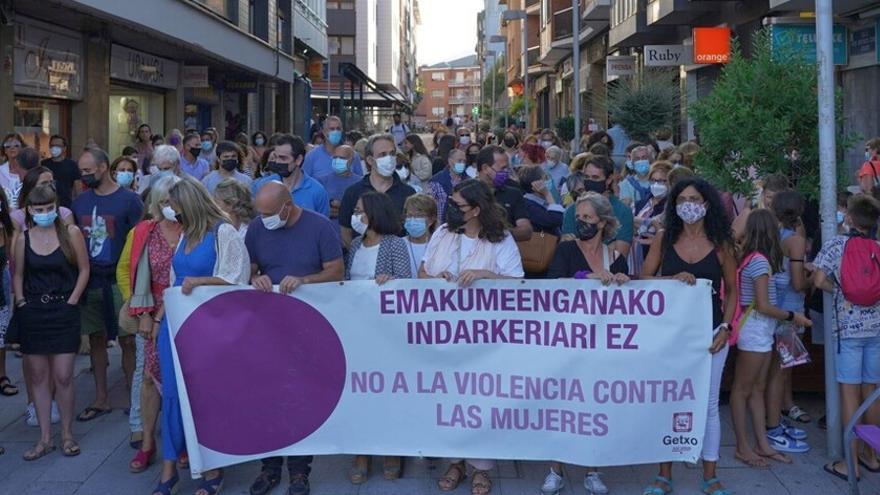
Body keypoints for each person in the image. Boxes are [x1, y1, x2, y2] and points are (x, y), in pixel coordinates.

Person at [421, 179, 523, 495]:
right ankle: (455, 462)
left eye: (458, 205)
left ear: (477, 210)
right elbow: (422, 273)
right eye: (451, 202)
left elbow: (517, 284)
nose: (451, 209)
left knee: (479, 400)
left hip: (484, 339)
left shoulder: (501, 241)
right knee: (450, 400)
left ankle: (481, 468)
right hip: (442, 334)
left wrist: (484, 276)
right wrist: (437, 279)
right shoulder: (442, 233)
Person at [637, 178, 738, 495]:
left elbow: (733, 291)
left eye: (694, 199)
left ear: (706, 204)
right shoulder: (664, 239)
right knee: (669, 401)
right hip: (670, 335)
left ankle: (710, 475)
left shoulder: (721, 243)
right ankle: (663, 474)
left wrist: (726, 328)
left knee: (708, 406)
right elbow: (645, 278)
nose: (688, 205)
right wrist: (671, 278)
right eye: (681, 199)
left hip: (711, 335)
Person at [152, 177, 250, 495]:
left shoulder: (223, 232)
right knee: (172, 394)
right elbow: (173, 279)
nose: (172, 213)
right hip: (175, 324)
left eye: (176, 208)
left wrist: (201, 280)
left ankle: (211, 463)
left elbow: (237, 278)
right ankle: (168, 470)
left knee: (204, 394)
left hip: (208, 327)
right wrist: (159, 318)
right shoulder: (184, 235)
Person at [246, 180, 343, 495]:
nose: (265, 219)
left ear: (287, 206)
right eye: (260, 213)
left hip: (307, 327)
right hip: (267, 326)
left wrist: (304, 280)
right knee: (265, 399)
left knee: (301, 399)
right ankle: (269, 468)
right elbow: (248, 268)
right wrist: (254, 277)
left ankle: (300, 473)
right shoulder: (257, 228)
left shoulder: (320, 227)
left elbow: (336, 271)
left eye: (270, 213)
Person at [542, 191, 628, 495]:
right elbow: (553, 285)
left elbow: (629, 305)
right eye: (578, 218)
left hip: (601, 343)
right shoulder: (566, 250)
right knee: (562, 407)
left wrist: (622, 282)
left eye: (588, 218)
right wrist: (586, 277)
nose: (582, 223)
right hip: (567, 341)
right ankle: (556, 469)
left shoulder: (615, 256)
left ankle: (593, 468)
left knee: (595, 407)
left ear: (603, 222)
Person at [730, 209, 811, 470]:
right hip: (756, 328)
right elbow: (764, 305)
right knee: (744, 389)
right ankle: (744, 446)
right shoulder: (760, 262)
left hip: (759, 328)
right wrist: (792, 316)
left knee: (756, 388)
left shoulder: (751, 257)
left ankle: (762, 444)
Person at [13, 184, 90, 460]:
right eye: (39, 209)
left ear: (56, 207)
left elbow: (84, 269)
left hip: (63, 309)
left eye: (49, 208)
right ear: (30, 211)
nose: (44, 213)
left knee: (63, 375)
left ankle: (67, 434)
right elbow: (18, 274)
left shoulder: (70, 233)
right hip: (34, 310)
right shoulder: (24, 238)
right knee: (38, 376)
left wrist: (73, 300)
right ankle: (44, 438)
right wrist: (21, 301)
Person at [116, 175, 182, 475]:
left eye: (176, 200)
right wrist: (140, 310)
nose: (172, 207)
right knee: (149, 378)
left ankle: (181, 440)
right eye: (166, 202)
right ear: (156, 204)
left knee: (184, 378)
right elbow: (130, 271)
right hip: (151, 310)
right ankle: (147, 443)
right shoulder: (143, 231)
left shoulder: (195, 230)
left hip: (185, 309)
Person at [71, 148, 144, 423]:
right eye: (82, 171)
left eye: (88, 170)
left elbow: (140, 240)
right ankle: (101, 397)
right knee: (96, 339)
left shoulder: (130, 201)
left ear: (103, 168)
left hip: (119, 280)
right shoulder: (79, 203)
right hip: (91, 281)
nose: (84, 175)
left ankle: (133, 396)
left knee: (128, 340)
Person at [345, 190, 411, 483]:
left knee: (388, 392)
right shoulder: (356, 244)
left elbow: (408, 285)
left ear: (373, 214)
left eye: (360, 210)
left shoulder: (395, 244)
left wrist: (391, 282)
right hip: (358, 330)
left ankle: (391, 449)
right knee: (360, 392)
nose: (355, 215)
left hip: (387, 333)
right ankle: (362, 450)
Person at [814, 194, 880, 480]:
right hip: (877, 330)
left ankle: (849, 464)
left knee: (849, 394)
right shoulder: (878, 247)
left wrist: (839, 289)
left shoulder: (836, 245)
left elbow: (817, 280)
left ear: (849, 218)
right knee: (872, 393)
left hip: (848, 333)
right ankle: (872, 455)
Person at [765, 191, 813, 452]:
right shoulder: (795, 241)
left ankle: (774, 421)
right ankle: (773, 426)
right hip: (790, 314)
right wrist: (813, 278)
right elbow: (797, 283)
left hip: (773, 311)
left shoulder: (771, 234)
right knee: (780, 374)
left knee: (776, 371)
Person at [338, 134, 417, 249]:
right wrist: (358, 254)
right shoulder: (353, 192)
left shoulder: (408, 193)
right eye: (383, 155)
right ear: (370, 160)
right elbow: (345, 230)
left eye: (392, 153)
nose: (389, 158)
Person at [561, 154, 633, 257]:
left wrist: (579, 245)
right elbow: (566, 251)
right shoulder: (572, 210)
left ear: (609, 179)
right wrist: (609, 247)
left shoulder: (623, 211)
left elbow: (619, 255)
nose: (590, 181)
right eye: (586, 177)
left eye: (595, 177)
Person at [251, 134, 329, 217]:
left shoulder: (317, 192)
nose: (277, 162)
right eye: (276, 157)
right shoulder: (263, 186)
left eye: (283, 158)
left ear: (298, 160)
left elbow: (322, 227)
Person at [473, 146, 533, 242]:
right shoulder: (465, 192)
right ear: (485, 168)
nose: (506, 172)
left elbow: (526, 230)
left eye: (507, 168)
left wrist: (499, 234)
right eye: (502, 168)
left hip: (502, 252)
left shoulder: (514, 193)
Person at [630, 161, 672, 276]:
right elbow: (629, 223)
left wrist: (638, 222)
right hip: (635, 258)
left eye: (663, 181)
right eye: (654, 180)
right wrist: (649, 223)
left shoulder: (671, 206)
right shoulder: (639, 204)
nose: (657, 184)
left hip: (658, 260)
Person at [317, 144, 362, 227]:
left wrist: (342, 207)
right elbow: (319, 210)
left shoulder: (360, 183)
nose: (337, 160)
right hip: (328, 230)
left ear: (351, 160)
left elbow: (362, 212)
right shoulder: (321, 181)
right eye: (335, 157)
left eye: (342, 158)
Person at [518, 165, 563, 236]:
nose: (548, 180)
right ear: (536, 184)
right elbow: (556, 219)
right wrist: (547, 194)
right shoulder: (528, 205)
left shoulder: (542, 201)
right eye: (546, 178)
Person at [0, 187, 15, 399]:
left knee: (0, 335)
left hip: (1, 283)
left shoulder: (5, 228)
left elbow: (10, 259)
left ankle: (2, 376)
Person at [41, 135, 82, 208]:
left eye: (58, 146)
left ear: (64, 148)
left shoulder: (72, 165)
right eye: (52, 145)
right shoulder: (43, 164)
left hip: (66, 204)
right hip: (46, 204)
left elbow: (78, 187)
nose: (54, 148)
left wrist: (78, 204)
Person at [403, 194, 438, 277]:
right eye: (409, 215)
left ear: (431, 219)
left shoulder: (439, 245)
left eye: (419, 216)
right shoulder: (398, 244)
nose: (413, 220)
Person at [619, 145, 654, 212]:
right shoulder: (626, 184)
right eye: (637, 159)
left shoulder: (658, 180)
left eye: (644, 158)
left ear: (650, 160)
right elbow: (626, 208)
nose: (641, 161)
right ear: (632, 163)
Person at [1, 133, 25, 209]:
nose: (12, 148)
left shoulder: (28, 170)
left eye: (16, 145)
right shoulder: (0, 170)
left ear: (22, 148)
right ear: (4, 150)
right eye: (8, 146)